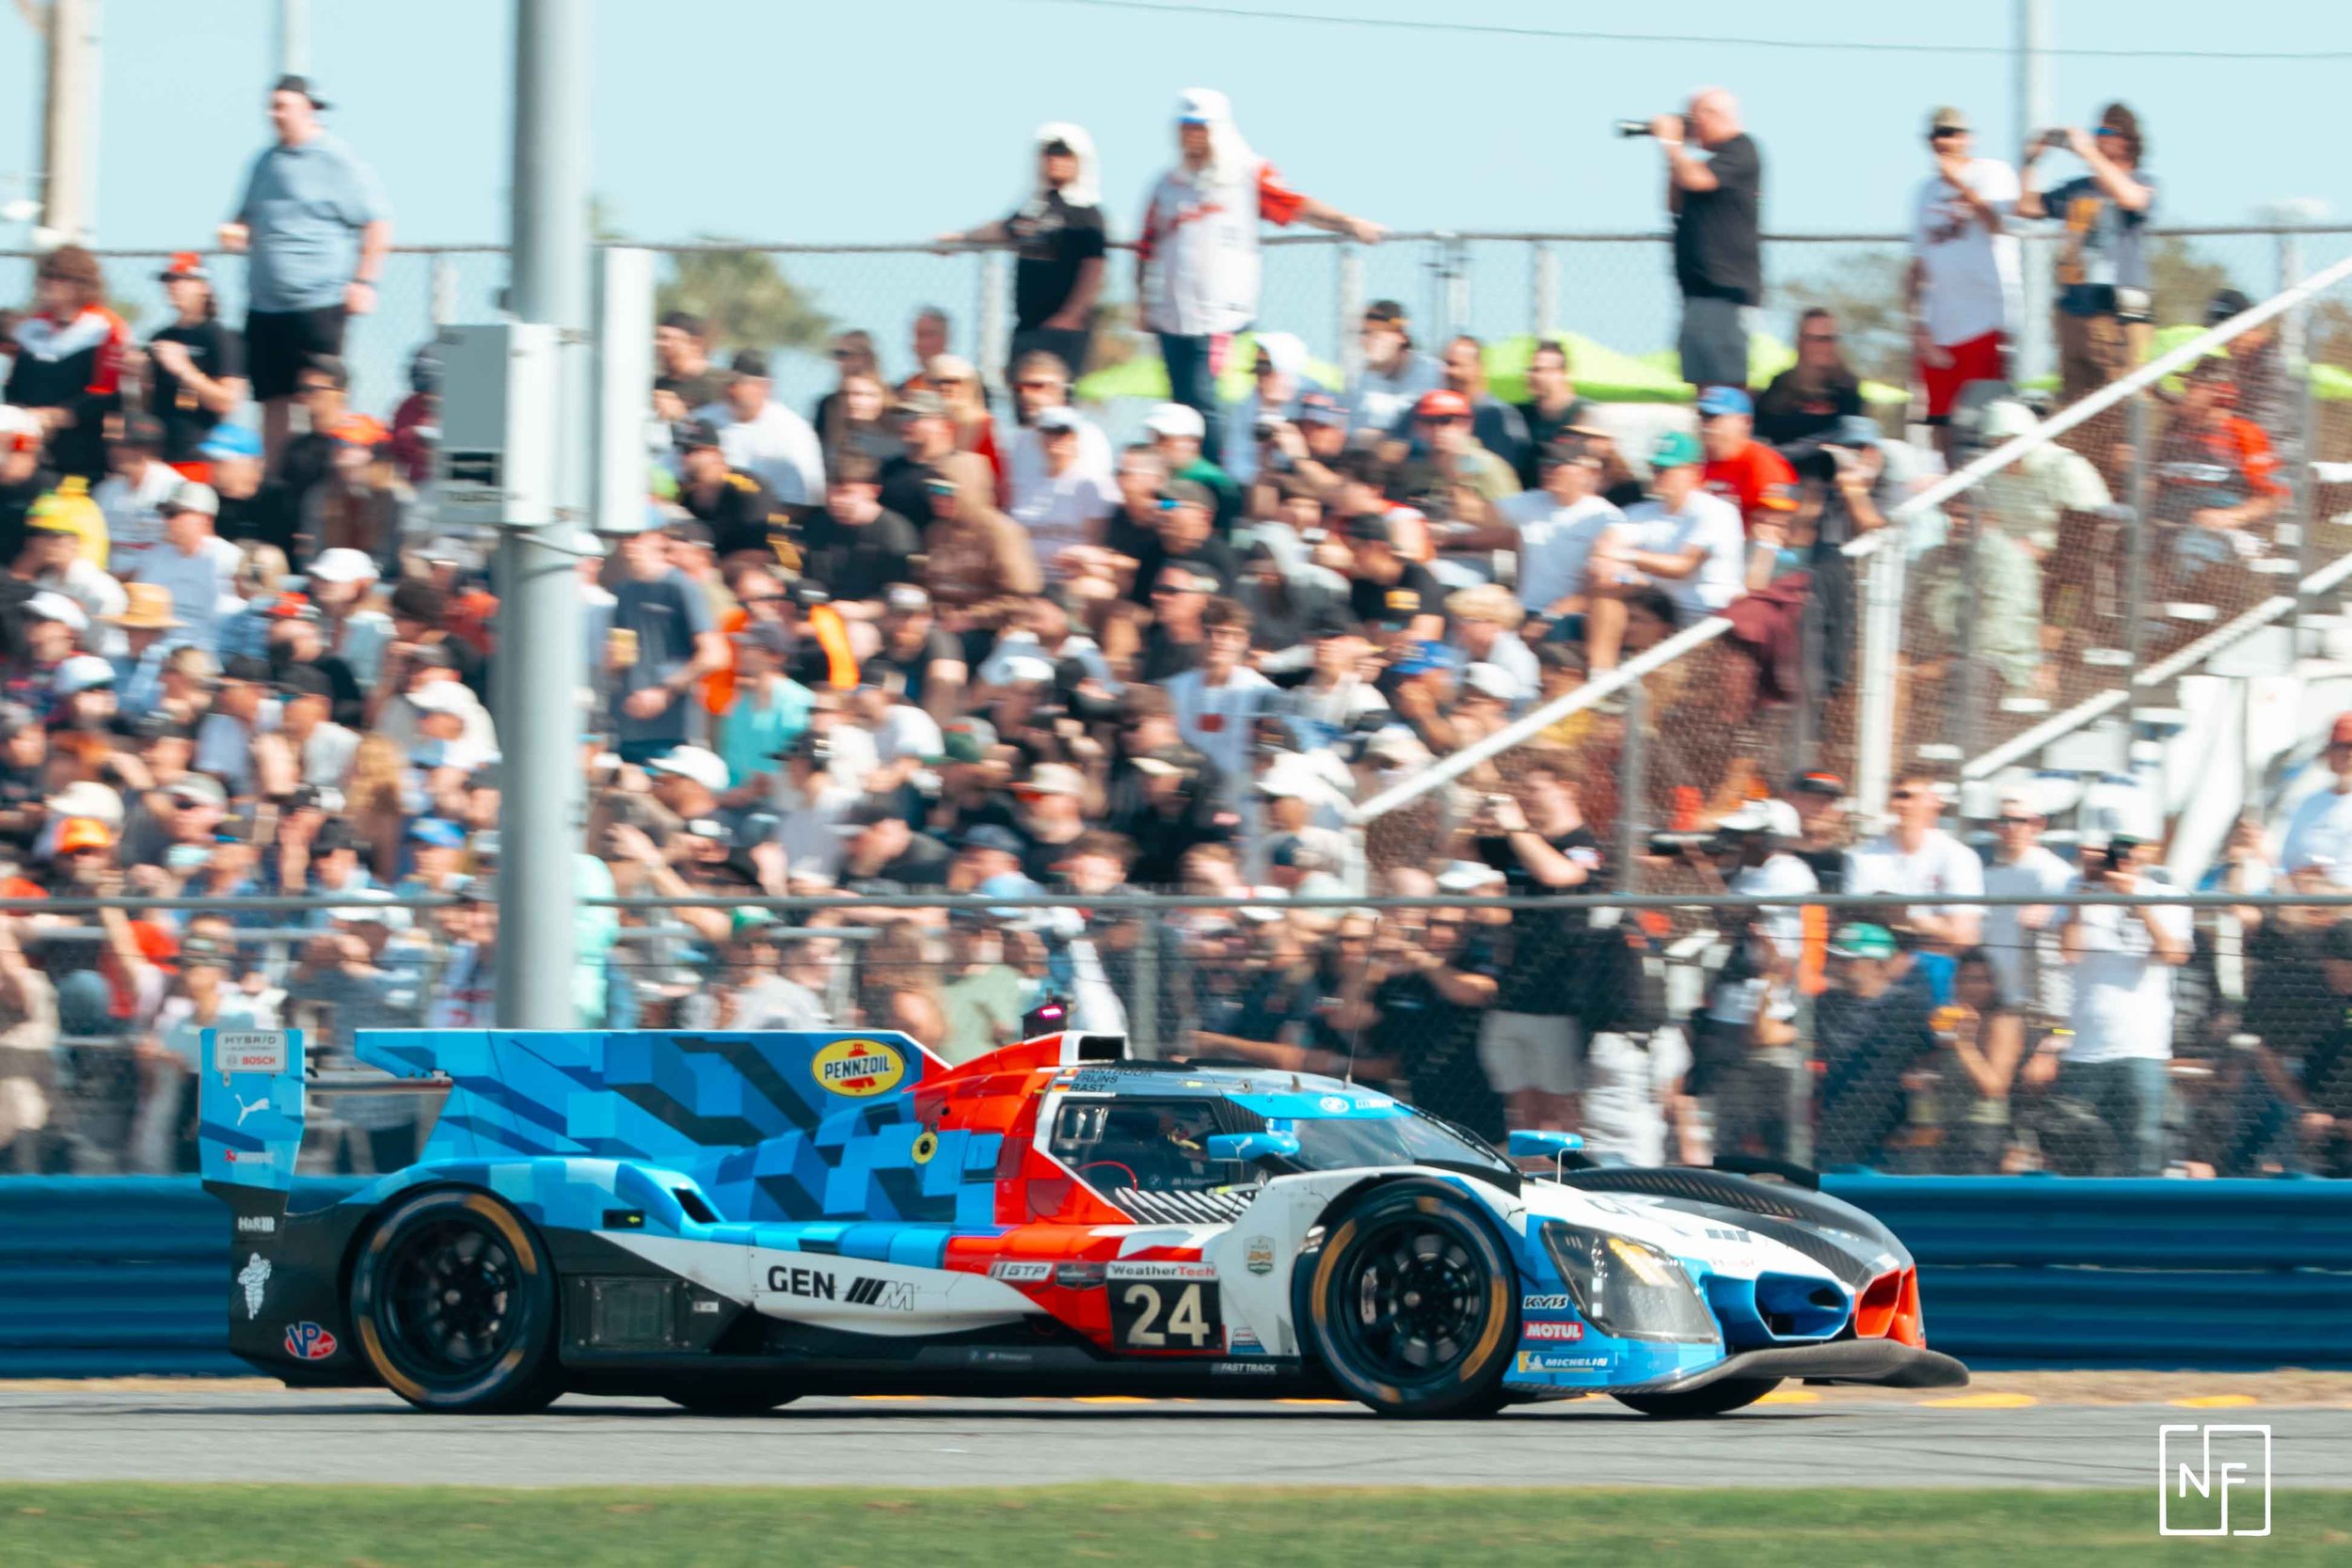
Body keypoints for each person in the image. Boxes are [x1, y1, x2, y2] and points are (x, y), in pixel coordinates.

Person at [1136, 87, 1382, 464]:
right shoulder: (1167, 186)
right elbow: (1146, 245)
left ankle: (1218, 485)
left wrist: (1347, 223)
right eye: (1185, 128)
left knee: (1209, 403)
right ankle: (1190, 483)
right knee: (1181, 406)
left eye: (1200, 128)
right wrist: (1142, 301)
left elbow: (1296, 206)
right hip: (1172, 318)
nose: (1192, 137)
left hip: (1220, 318)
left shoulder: (1245, 175)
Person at [218, 76, 390, 467]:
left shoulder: (336, 160)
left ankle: (324, 474)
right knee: (271, 398)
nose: (274, 114)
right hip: (266, 303)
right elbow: (245, 215)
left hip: (319, 301)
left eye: (283, 105)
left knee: (321, 394)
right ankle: (279, 482)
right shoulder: (265, 162)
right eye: (271, 106)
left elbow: (378, 221)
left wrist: (364, 281)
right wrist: (237, 231)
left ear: (307, 108)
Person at [1464, 748, 1605, 1132]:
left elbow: (1557, 874)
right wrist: (1478, 812)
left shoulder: (1582, 844)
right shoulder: (1519, 840)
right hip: (1510, 997)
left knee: (1557, 1112)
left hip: (1558, 1001)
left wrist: (1517, 827)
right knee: (1521, 1114)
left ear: (1567, 788)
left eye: (1535, 790)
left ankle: (1567, 1180)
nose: (1526, 799)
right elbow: (1451, 849)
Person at [2054, 832, 2189, 1175]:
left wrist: (2136, 901)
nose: (2120, 862)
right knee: (2073, 1144)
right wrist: (2080, 900)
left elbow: (2174, 952)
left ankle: (2143, 1221)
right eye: (2112, 854)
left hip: (2142, 1045)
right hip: (2084, 1046)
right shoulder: (2078, 892)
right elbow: (2069, 953)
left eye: (2126, 854)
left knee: (2142, 1146)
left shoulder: (2166, 896)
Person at [939, 124, 1107, 386]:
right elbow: (1003, 229)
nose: (1055, 161)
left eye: (1064, 155)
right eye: (1049, 154)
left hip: (1061, 330)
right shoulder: (1033, 209)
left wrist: (1072, 314)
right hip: (1027, 324)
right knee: (1021, 394)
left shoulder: (1085, 214)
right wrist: (961, 238)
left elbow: (1094, 267)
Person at [2017, 102, 2156, 406]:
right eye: (2096, 131)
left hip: (2115, 316)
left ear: (2127, 140)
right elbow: (2027, 206)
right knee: (2075, 410)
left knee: (2121, 409)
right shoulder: (2078, 188)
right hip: (2074, 313)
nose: (2097, 137)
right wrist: (2031, 160)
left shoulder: (2142, 183)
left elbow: (2132, 199)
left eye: (2105, 131)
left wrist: (2087, 152)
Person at [1905, 106, 2018, 463]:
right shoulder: (1924, 192)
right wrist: (1917, 327)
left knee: (1986, 424)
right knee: (1941, 427)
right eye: (1937, 135)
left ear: (1968, 137)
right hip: (1941, 328)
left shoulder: (1992, 173)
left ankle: (1981, 512)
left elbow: (1997, 223)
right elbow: (1918, 265)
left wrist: (1960, 184)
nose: (1944, 141)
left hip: (1985, 322)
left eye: (1952, 133)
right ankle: (1952, 508)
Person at [1585, 430, 1744, 669]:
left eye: (1665, 470)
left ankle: (1617, 680)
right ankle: (1600, 675)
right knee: (1604, 583)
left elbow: (1683, 566)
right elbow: (1606, 546)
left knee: (1630, 606)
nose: (1657, 476)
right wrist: (1611, 562)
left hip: (1705, 615)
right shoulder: (1641, 512)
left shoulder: (1716, 511)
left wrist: (1624, 558)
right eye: (1655, 468)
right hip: (1655, 608)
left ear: (1693, 472)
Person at [1655, 87, 1762, 391]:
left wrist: (1672, 145)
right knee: (1703, 395)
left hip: (1725, 295)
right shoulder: (1701, 163)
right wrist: (1672, 156)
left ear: (1712, 115)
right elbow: (1674, 203)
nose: (1690, 126)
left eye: (1693, 117)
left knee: (1728, 395)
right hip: (1695, 295)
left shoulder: (1743, 150)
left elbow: (1697, 180)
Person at [3, 245, 128, 483]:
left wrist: (57, 416)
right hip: (30, 449)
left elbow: (107, 392)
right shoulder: (31, 328)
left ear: (81, 283)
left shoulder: (103, 326)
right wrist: (25, 417)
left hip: (82, 451)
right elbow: (14, 387)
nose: (48, 283)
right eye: (44, 276)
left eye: (58, 277)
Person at [608, 521, 725, 764]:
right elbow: (623, 655)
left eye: (637, 535)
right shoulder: (624, 590)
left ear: (659, 538)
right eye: (624, 536)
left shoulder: (681, 587)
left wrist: (664, 691)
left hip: (673, 731)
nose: (628, 543)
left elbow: (714, 654)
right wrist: (613, 663)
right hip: (627, 727)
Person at [1844, 773, 1984, 958]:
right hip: (1876, 965)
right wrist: (1932, 925)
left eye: (1911, 797)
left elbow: (1964, 936)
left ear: (1935, 802)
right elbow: (1856, 928)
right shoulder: (1862, 855)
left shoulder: (1958, 857)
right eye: (1897, 796)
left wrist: (1901, 915)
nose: (1902, 805)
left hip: (1935, 969)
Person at [139, 253, 248, 471]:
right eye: (170, 280)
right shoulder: (160, 336)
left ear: (203, 287)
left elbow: (228, 401)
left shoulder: (219, 337)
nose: (174, 287)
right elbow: (147, 403)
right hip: (159, 454)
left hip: (202, 453)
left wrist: (184, 370)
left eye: (183, 280)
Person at [1979, 793, 2074, 1022]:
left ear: (2038, 824)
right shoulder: (1987, 876)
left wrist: (2050, 911)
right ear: (1994, 826)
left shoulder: (2055, 872)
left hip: (2045, 1000)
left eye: (2020, 821)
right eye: (2004, 821)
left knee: (2053, 1045)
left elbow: (2072, 921)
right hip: (1998, 998)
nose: (2011, 828)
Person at [695, 350, 825, 505]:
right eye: (728, 383)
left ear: (764, 387)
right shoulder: (703, 418)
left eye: (739, 383)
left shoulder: (794, 431)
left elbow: (805, 499)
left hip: (768, 518)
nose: (731, 390)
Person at [1753, 309, 1864, 450]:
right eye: (1814, 339)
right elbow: (1761, 430)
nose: (1822, 346)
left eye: (1828, 339)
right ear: (1800, 342)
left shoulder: (1847, 389)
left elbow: (1853, 438)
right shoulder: (1780, 384)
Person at [1696, 386, 1798, 534]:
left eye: (1713, 417)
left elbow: (1772, 530)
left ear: (1744, 421)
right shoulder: (1692, 461)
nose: (1706, 426)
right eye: (1703, 417)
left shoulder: (1765, 465)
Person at [1345, 299, 1442, 438]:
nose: (1367, 340)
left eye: (1377, 334)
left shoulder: (1430, 370)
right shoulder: (1364, 378)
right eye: (1365, 333)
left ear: (1401, 336)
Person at [2279, 715, 2352, 884]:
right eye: (2340, 747)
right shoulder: (2308, 804)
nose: (2348, 755)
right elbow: (2288, 861)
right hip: (2305, 896)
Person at [1512, 340, 1593, 490]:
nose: (1532, 376)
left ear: (1562, 374)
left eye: (1540, 370)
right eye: (1530, 370)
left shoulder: (1586, 415)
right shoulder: (1520, 416)